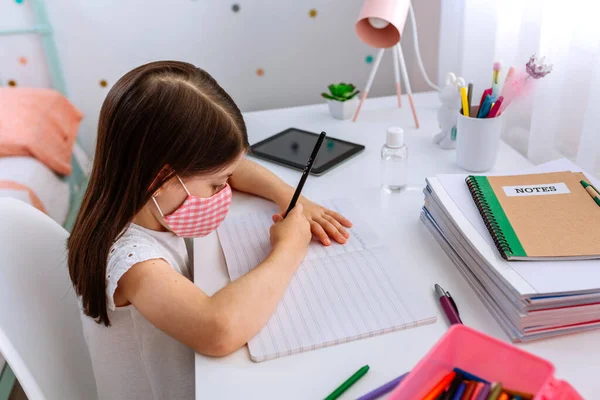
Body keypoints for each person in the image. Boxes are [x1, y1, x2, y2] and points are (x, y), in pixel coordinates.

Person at [67, 60, 352, 399]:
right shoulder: (131, 261)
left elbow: (235, 168)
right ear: (161, 178)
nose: (226, 190)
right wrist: (288, 249)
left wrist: (291, 198)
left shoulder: (137, 193)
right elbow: (217, 330)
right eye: (216, 185)